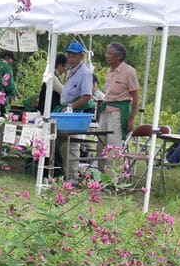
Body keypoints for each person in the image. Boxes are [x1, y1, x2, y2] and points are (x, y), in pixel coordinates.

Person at [96, 42, 139, 172]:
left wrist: (131, 119)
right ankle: (100, 177)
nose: (106, 56)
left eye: (110, 53)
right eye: (106, 52)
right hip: (105, 111)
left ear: (119, 56)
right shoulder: (109, 71)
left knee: (113, 147)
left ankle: (114, 179)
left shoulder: (129, 71)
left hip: (118, 112)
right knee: (101, 144)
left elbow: (136, 97)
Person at [56, 42, 95, 178]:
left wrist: (71, 107)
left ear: (81, 56)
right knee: (64, 145)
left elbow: (86, 96)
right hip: (67, 111)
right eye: (69, 55)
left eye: (74, 55)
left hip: (75, 112)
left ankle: (71, 177)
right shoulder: (71, 71)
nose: (71, 58)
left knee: (72, 145)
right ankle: (66, 174)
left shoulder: (84, 73)